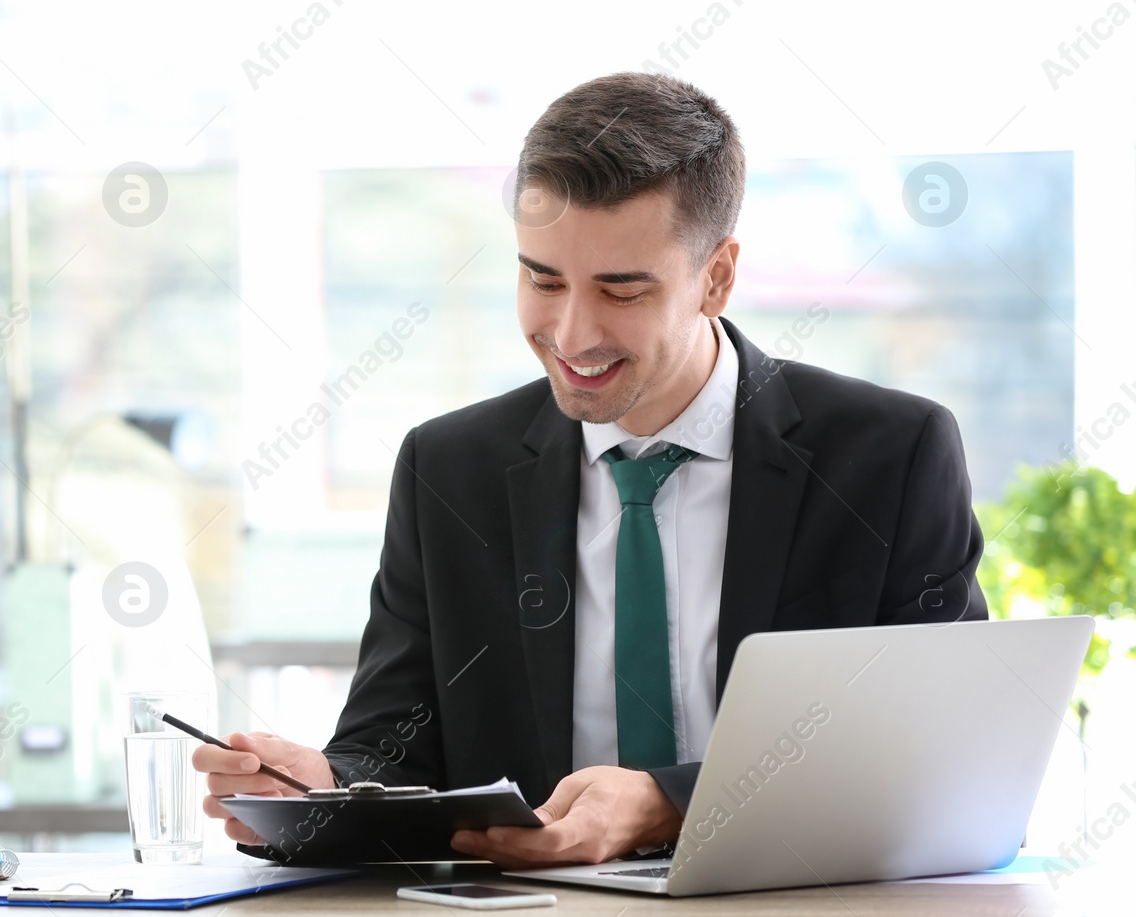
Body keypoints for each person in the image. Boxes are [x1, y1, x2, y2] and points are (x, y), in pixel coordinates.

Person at [193, 71, 987, 867]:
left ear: (716, 276)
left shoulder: (891, 455)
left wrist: (668, 802)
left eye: (622, 289)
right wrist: (328, 791)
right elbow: (397, 751)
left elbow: (945, 762)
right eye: (542, 279)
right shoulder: (449, 469)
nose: (571, 334)